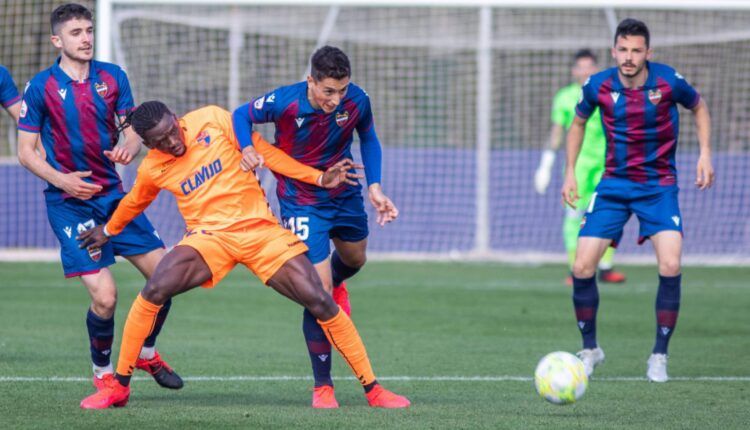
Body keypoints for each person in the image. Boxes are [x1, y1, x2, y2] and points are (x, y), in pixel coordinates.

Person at [77, 101, 411, 409]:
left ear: (177, 120)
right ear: (149, 145)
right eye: (161, 141)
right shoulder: (152, 168)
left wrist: (318, 177)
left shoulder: (212, 119)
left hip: (260, 231)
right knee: (154, 288)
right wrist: (107, 232)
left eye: (172, 132)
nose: (172, 142)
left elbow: (267, 152)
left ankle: (373, 389)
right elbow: (135, 202)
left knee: (320, 299)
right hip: (209, 237)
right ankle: (119, 386)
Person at [16, 3, 182, 392]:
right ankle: (104, 376)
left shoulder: (113, 76)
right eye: (76, 33)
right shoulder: (40, 87)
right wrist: (64, 181)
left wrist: (129, 145)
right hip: (68, 203)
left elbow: (132, 129)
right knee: (106, 297)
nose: (86, 38)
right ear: (58, 40)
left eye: (89, 30)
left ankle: (145, 354)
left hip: (113, 198)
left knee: (167, 278)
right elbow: (26, 152)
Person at [232, 45, 398, 408]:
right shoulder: (286, 102)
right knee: (317, 292)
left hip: (344, 189)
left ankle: (334, 283)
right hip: (301, 198)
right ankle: (323, 387)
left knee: (355, 259)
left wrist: (374, 186)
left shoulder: (357, 100)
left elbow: (368, 137)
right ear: (311, 82)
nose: (336, 99)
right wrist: (246, 148)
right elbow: (240, 115)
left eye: (342, 90)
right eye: (328, 91)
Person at [561, 18, 714, 382]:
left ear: (648, 52)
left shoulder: (668, 81)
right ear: (614, 51)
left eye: (636, 50)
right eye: (623, 50)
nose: (629, 57)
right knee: (582, 268)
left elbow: (700, 107)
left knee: (671, 265)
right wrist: (569, 170)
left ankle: (659, 356)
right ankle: (590, 349)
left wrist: (706, 152)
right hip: (614, 185)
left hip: (659, 186)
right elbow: (578, 123)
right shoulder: (597, 85)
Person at [534, 49, 626, 286]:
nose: (585, 71)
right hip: (577, 167)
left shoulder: (610, 93)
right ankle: (576, 268)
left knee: (609, 214)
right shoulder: (565, 97)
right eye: (580, 67)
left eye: (589, 66)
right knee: (574, 215)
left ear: (596, 69)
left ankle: (606, 267)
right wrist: (545, 164)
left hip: (608, 164)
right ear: (574, 71)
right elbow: (556, 133)